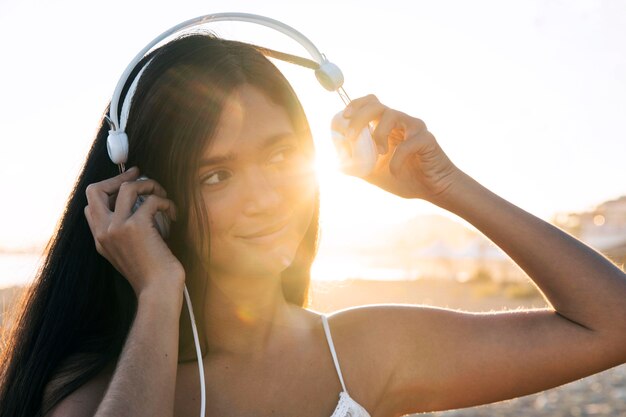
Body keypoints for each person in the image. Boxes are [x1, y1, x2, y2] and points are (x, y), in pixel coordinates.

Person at [1, 33, 625, 417]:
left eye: (279, 156)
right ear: (145, 198)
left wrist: (447, 187)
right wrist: (158, 294)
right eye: (216, 174)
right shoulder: (93, 388)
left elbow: (611, 325)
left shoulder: (365, 353)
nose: (268, 198)